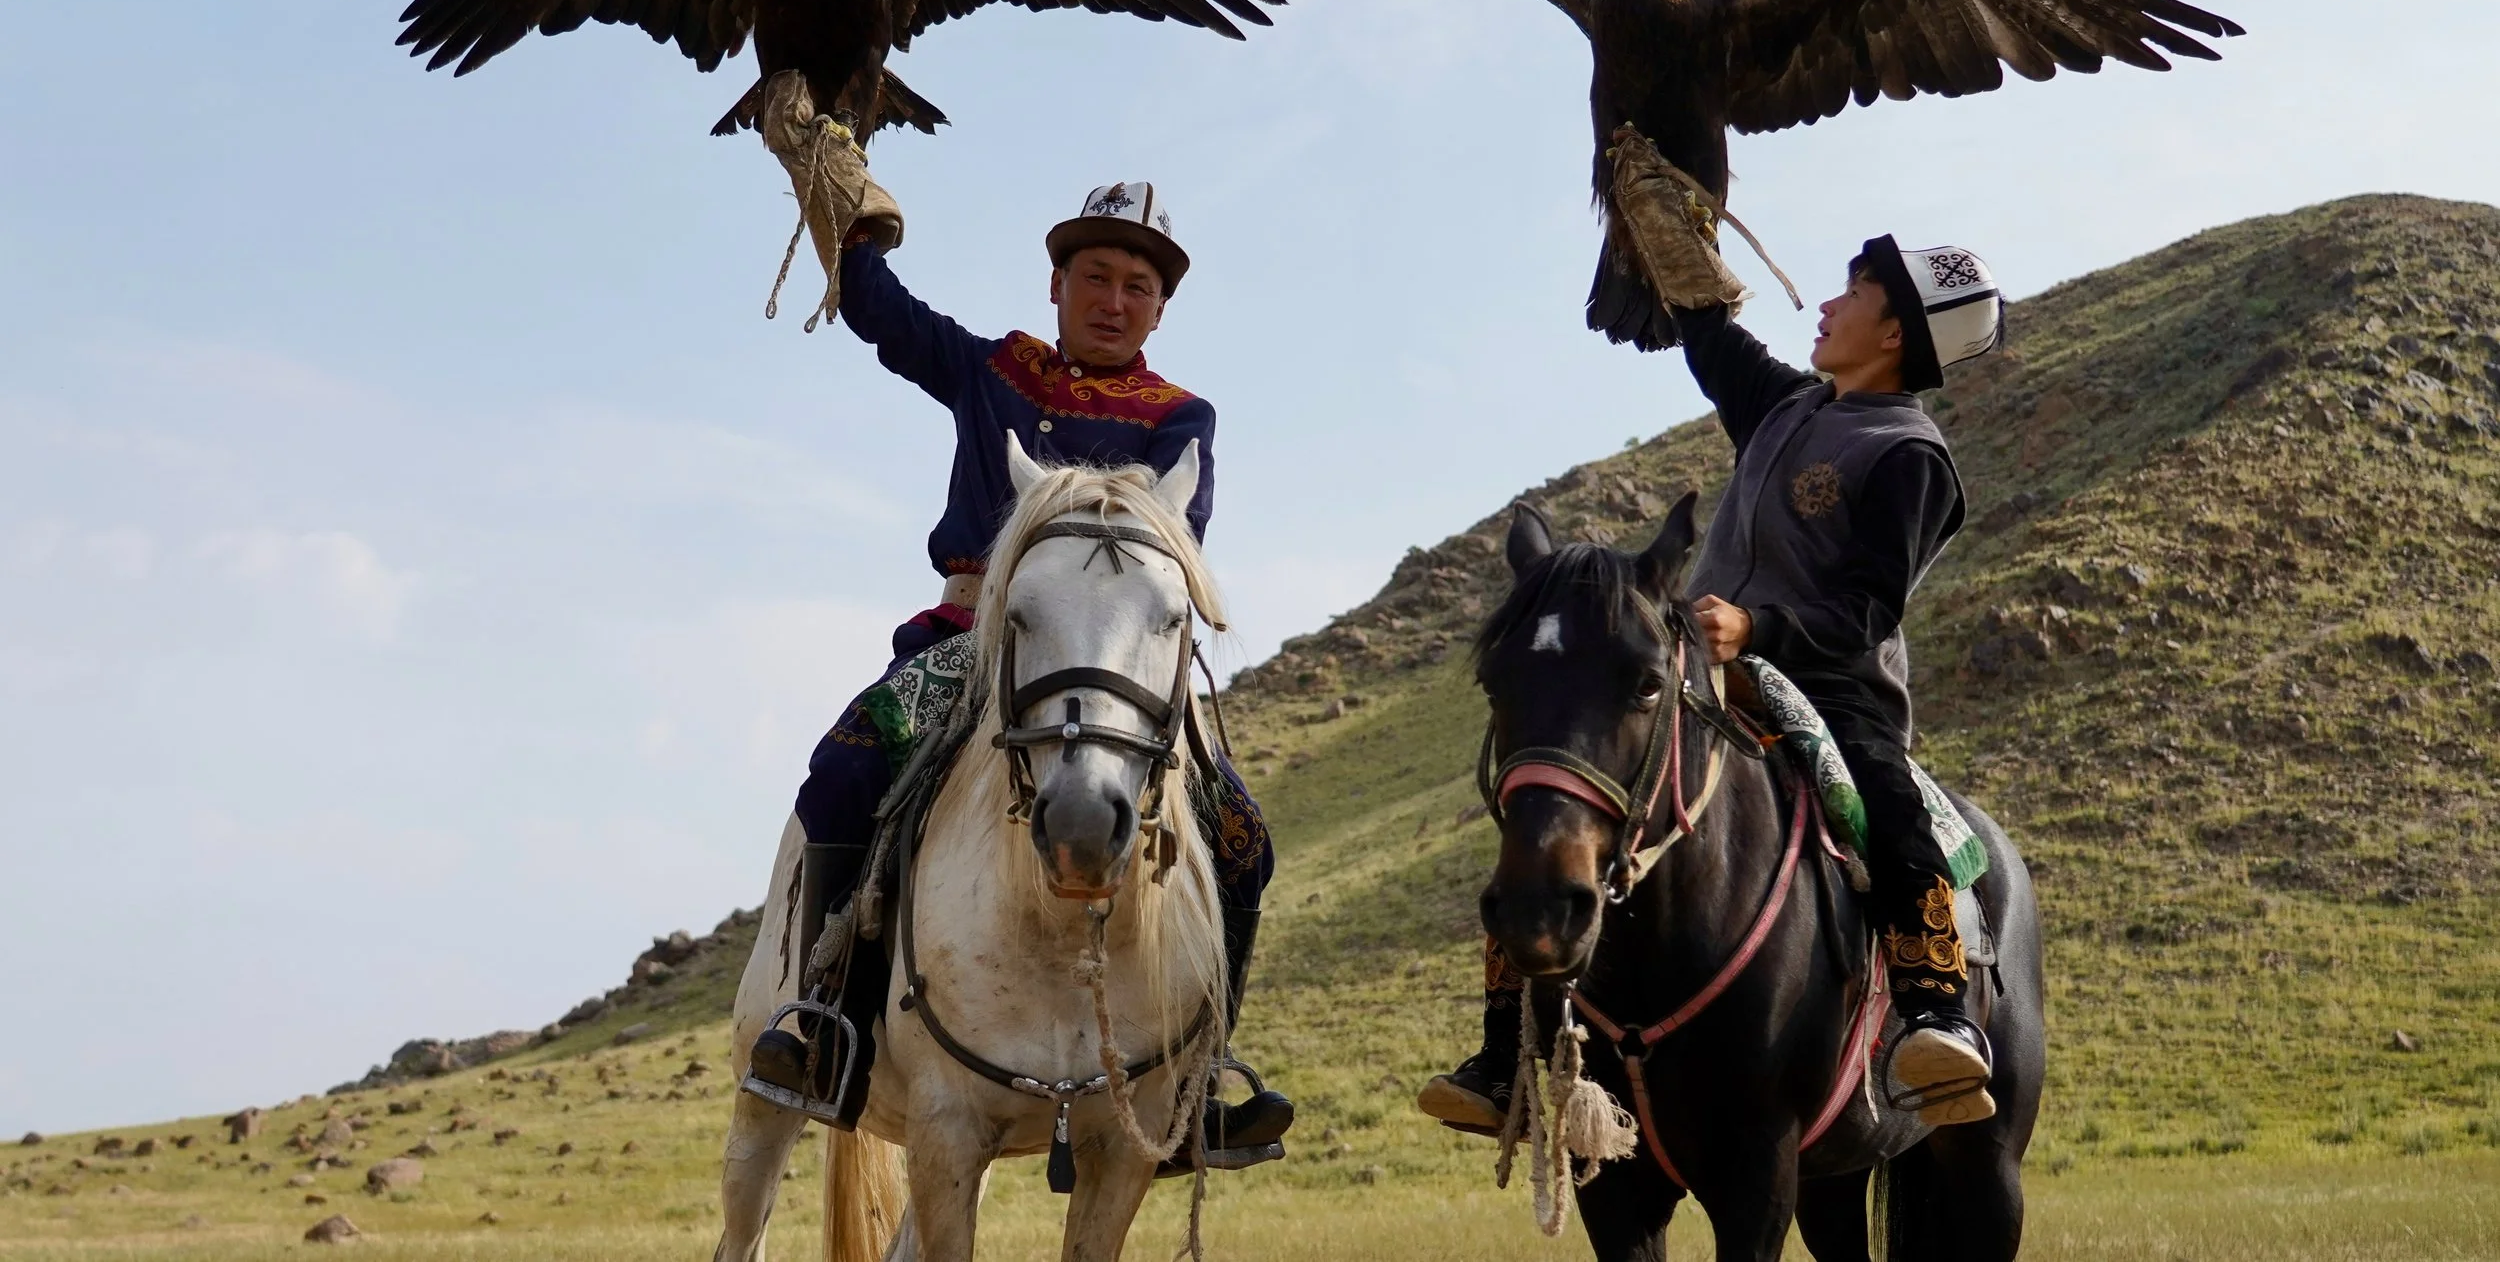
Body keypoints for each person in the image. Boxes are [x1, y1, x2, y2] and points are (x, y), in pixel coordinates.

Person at [1421, 141, 2006, 1131]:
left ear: (1899, 330)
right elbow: (1706, 331)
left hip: (1832, 687)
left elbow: (1868, 610)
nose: (1827, 303)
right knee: (1561, 780)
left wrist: (1758, 624)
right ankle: (1508, 1047)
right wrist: (1656, 204)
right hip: (1701, 668)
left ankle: (1933, 1011)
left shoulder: (1911, 454)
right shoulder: (1786, 405)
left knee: (1892, 807)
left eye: (1855, 291)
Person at [746, 172, 1293, 1159]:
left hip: (1119, 658)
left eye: (1137, 284)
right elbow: (879, 314)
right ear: (1057, 282)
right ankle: (825, 1016)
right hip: (972, 642)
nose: (1114, 298)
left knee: (1245, 834)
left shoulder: (1181, 416)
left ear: (1160, 306)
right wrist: (849, 219)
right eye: (1095, 274)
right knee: (841, 772)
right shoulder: (995, 370)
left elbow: (1171, 539)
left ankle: (1199, 1076)